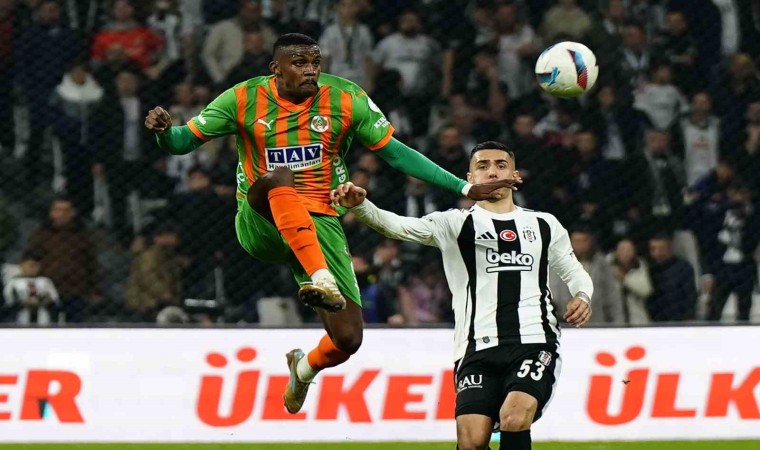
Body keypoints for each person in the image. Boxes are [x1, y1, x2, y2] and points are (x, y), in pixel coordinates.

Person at [144, 33, 516, 414]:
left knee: (348, 338)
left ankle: (303, 369)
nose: (310, 70)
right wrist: (163, 133)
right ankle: (321, 277)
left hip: (321, 220)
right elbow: (181, 142)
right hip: (261, 219)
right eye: (299, 63)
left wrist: (463, 186)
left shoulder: (345, 97)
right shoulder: (242, 98)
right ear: (275, 69)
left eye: (315, 63)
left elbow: (395, 153)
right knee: (280, 177)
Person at [332, 141, 594, 450]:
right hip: (475, 348)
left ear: (515, 175)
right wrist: (361, 206)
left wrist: (582, 295)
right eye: (483, 166)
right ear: (470, 177)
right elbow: (398, 227)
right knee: (471, 441)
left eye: (501, 165)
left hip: (534, 341)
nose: (492, 172)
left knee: (514, 417)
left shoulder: (543, 224)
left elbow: (573, 270)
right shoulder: (453, 223)